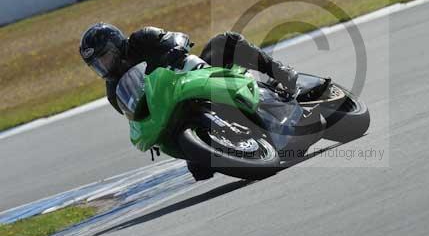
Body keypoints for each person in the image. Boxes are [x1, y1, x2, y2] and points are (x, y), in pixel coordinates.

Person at [79, 23, 298, 180]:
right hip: (170, 110)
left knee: (225, 41)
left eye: (104, 57)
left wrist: (176, 48)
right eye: (96, 64)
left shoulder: (142, 38)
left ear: (116, 45)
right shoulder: (113, 90)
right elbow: (136, 114)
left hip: (195, 77)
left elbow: (179, 37)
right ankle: (224, 141)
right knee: (200, 171)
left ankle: (279, 72)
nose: (103, 66)